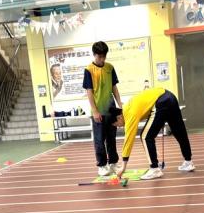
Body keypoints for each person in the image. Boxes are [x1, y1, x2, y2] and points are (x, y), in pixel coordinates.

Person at [112, 87, 194, 180]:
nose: (118, 127)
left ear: (119, 117)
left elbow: (128, 140)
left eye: (116, 124)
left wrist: (123, 166)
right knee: (179, 130)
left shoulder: (129, 114)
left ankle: (154, 169)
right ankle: (188, 162)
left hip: (160, 102)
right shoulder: (127, 107)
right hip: (170, 96)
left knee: (145, 136)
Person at [83, 41, 123, 177]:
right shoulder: (89, 70)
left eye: (104, 56)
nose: (102, 59)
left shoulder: (110, 68)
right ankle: (102, 165)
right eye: (99, 56)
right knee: (99, 140)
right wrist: (95, 111)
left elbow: (114, 88)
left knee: (112, 139)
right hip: (98, 111)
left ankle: (113, 163)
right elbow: (89, 91)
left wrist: (120, 104)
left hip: (110, 110)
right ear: (94, 55)